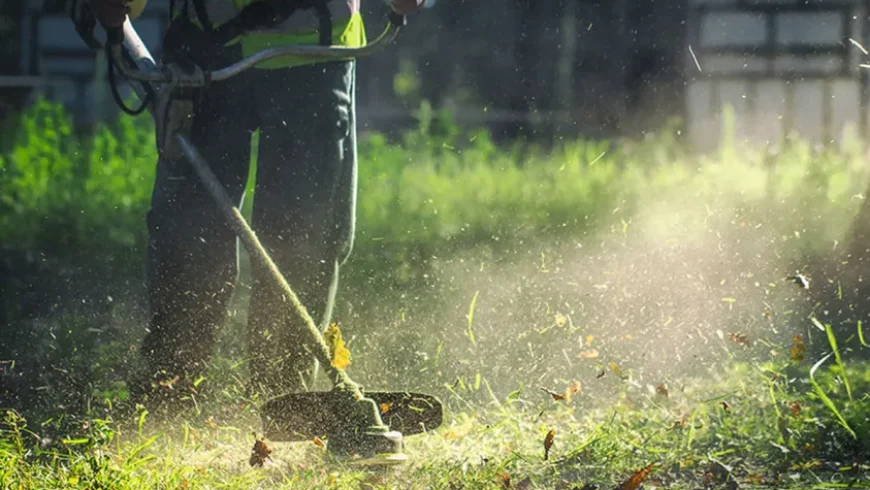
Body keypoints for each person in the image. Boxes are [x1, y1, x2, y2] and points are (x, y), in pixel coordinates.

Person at [89, 0, 425, 412]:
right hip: (206, 54)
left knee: (302, 239)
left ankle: (285, 402)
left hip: (313, 55)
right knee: (188, 237)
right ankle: (168, 394)